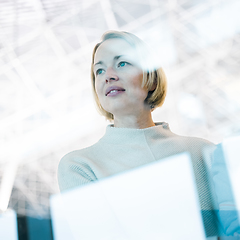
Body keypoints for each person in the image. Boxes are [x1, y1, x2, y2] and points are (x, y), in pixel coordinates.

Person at [58, 30, 218, 236]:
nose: (108, 76)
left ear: (150, 78)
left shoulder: (203, 152)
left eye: (122, 63)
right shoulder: (79, 166)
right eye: (99, 71)